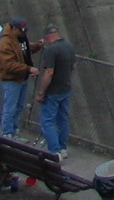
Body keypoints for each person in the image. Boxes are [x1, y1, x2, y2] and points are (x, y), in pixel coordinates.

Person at [35, 24, 76, 160]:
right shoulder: (69, 46)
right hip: (65, 88)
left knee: (47, 121)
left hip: (53, 91)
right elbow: (73, 67)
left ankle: (54, 151)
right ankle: (63, 148)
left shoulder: (51, 51)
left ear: (47, 37)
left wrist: (41, 92)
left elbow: (49, 72)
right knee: (63, 119)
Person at [0, 18, 37, 137]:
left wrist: (37, 46)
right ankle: (7, 132)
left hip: (22, 78)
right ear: (13, 28)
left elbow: (24, 51)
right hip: (11, 79)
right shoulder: (6, 42)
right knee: (10, 108)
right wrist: (28, 69)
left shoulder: (20, 38)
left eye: (25, 31)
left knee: (19, 107)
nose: (24, 33)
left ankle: (14, 130)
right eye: (21, 30)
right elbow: (8, 65)